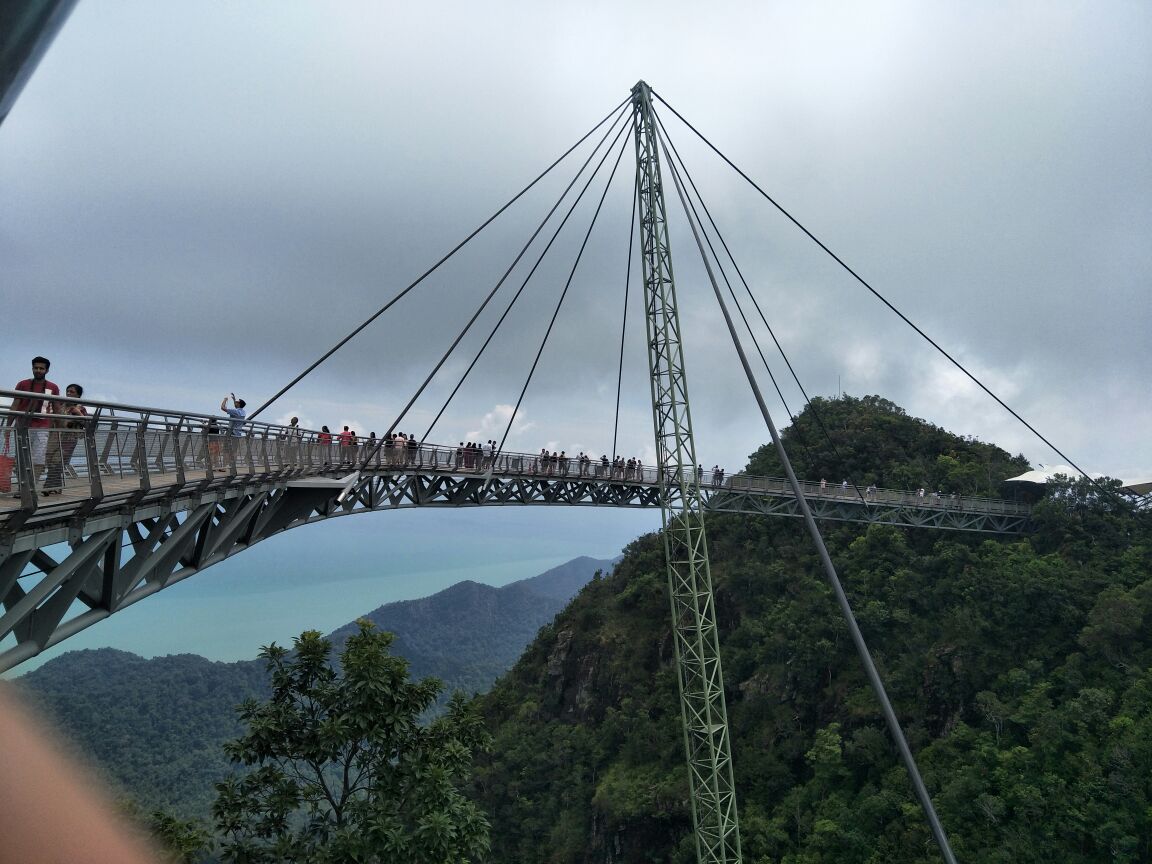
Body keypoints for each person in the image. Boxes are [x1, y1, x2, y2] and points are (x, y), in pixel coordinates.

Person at [7, 357, 60, 490]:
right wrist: (8, 426)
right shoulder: (22, 384)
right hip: (22, 425)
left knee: (38, 457)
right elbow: (15, 405)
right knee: (21, 457)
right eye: (36, 367)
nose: (38, 370)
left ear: (47, 370)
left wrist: (59, 428)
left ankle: (30, 486)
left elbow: (57, 409)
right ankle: (22, 486)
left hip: (42, 426)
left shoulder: (53, 387)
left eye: (41, 368)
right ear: (32, 368)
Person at [42, 384, 88, 494]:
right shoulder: (60, 405)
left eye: (72, 392)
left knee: (57, 461)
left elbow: (87, 423)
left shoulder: (80, 409)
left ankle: (48, 487)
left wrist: (78, 414)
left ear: (78, 395)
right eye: (67, 391)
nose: (68, 394)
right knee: (49, 459)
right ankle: (57, 486)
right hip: (55, 436)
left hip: (69, 439)